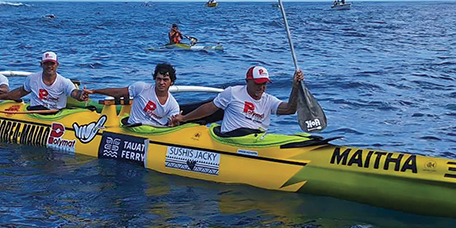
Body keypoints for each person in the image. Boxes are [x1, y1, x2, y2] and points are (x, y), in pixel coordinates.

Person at [170, 65, 303, 136]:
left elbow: (290, 109)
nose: (261, 87)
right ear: (247, 81)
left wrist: (296, 88)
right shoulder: (233, 92)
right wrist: (184, 118)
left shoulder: (269, 100)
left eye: (264, 84)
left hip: (255, 141)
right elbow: (209, 108)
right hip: (231, 139)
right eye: (257, 83)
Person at [89, 63, 180, 127]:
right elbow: (118, 92)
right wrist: (95, 91)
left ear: (171, 82)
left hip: (156, 132)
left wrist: (174, 123)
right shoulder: (141, 88)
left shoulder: (173, 105)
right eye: (159, 79)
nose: (161, 82)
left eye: (165, 80)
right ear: (154, 79)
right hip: (135, 128)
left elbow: (173, 124)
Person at [0, 51, 89, 110]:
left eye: (52, 63)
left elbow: (74, 93)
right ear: (41, 65)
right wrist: (0, 97)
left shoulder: (64, 82)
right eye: (46, 64)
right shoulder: (32, 78)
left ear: (57, 65)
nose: (49, 66)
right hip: (34, 113)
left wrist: (81, 95)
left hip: (55, 114)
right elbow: (20, 92)